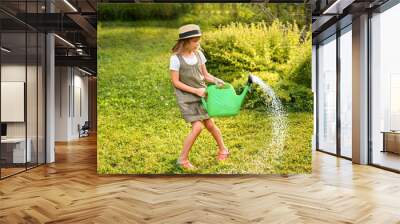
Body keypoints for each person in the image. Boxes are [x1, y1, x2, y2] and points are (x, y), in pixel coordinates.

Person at [169, 24, 229, 170]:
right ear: (185, 42)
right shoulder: (175, 59)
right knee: (197, 127)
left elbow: (206, 75)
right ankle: (182, 160)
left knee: (209, 124)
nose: (198, 44)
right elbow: (175, 82)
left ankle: (223, 150)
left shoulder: (199, 55)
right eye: (195, 41)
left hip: (202, 95)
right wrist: (195, 91)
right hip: (187, 97)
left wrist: (216, 80)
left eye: (198, 40)